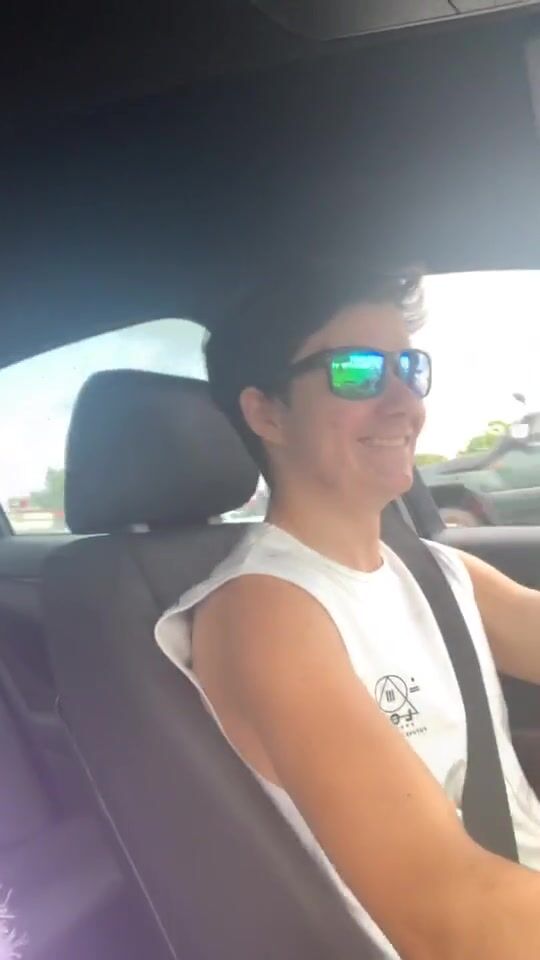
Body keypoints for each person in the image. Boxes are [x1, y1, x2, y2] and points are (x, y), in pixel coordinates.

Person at [156, 260, 540, 959]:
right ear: (267, 413)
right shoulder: (265, 613)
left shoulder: (438, 571)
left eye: (410, 368)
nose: (404, 402)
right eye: (357, 372)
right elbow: (451, 919)